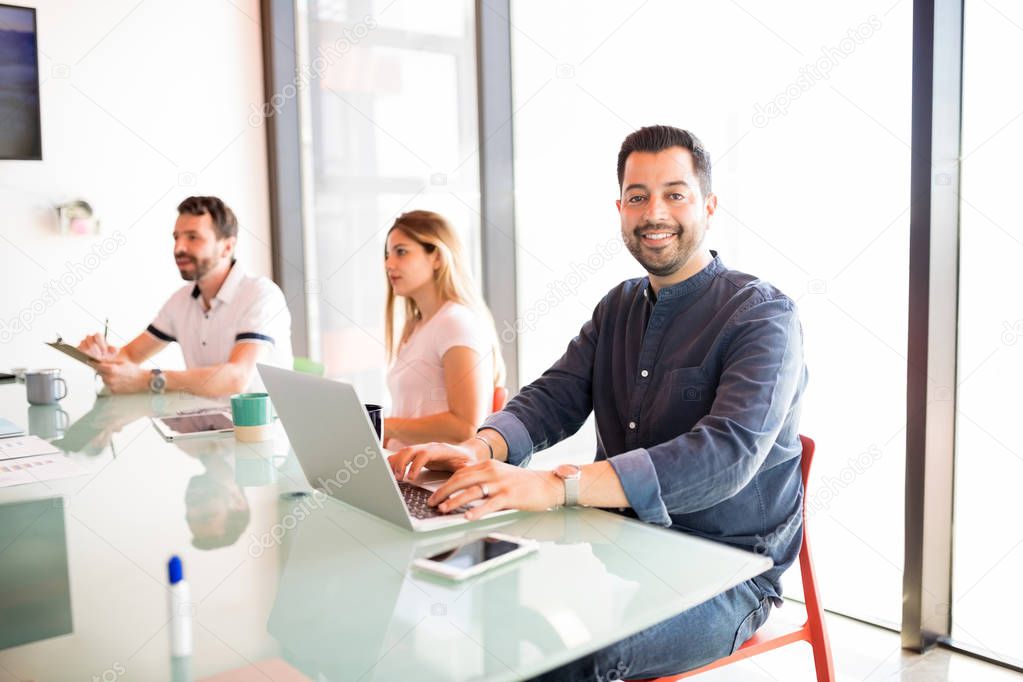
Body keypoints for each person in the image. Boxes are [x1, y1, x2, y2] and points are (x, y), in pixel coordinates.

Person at [388, 125, 807, 680]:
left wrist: (558, 485)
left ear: (708, 204)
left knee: (566, 658)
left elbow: (726, 455)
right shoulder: (618, 307)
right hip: (615, 541)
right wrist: (480, 446)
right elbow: (553, 396)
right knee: (448, 607)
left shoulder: (762, 316)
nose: (654, 211)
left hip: (728, 573)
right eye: (638, 197)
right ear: (620, 210)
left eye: (674, 194)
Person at [77, 196, 293, 397]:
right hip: (206, 425)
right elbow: (130, 356)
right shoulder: (180, 301)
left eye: (193, 237)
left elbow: (236, 378)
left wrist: (149, 379)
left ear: (227, 247)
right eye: (176, 237)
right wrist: (101, 358)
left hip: (262, 432)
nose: (179, 248)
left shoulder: (261, 295)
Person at [382, 210, 506, 450]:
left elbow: (467, 427)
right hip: (405, 471)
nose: (389, 264)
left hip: (436, 480)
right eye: (388, 255)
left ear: (436, 257)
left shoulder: (456, 323)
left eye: (401, 252)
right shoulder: (415, 326)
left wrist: (383, 425)